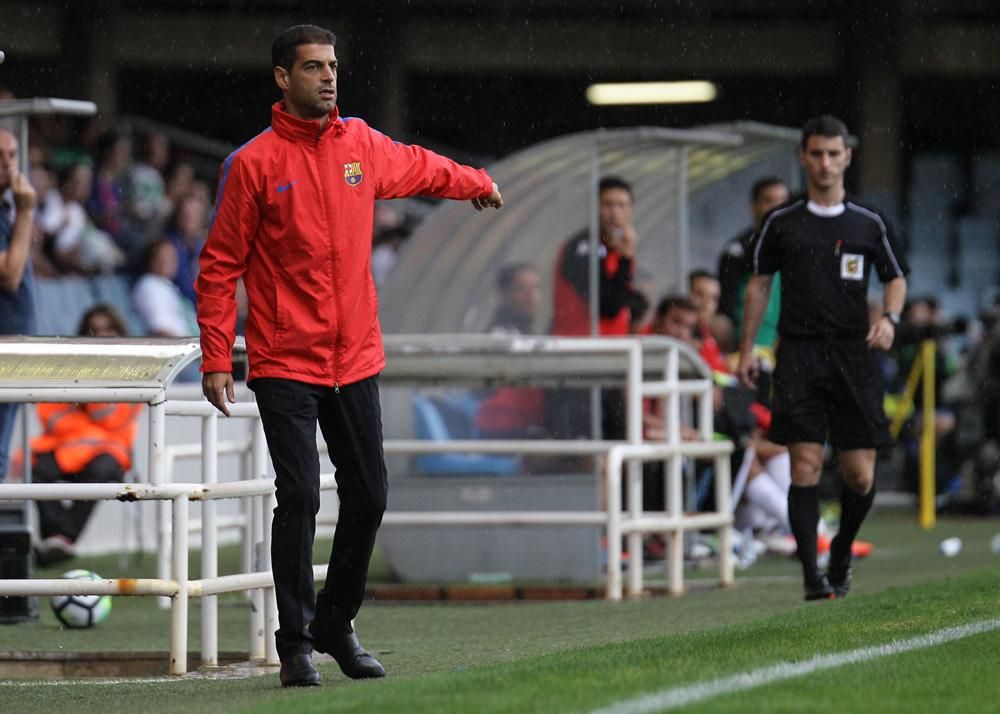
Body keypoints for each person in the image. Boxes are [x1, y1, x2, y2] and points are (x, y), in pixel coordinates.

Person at [195, 25, 503, 688]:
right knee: (301, 495)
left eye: (332, 66)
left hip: (355, 357)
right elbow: (220, 265)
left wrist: (473, 179)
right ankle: (295, 643)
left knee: (369, 495)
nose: (328, 78)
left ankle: (336, 622)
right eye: (312, 67)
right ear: (282, 77)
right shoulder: (252, 164)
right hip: (283, 359)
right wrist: (217, 355)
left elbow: (422, 164)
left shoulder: (361, 144)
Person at [737, 115, 909, 600]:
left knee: (860, 475)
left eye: (834, 154)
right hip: (800, 356)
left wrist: (890, 319)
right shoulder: (782, 221)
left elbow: (896, 276)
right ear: (803, 158)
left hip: (854, 355)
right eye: (817, 154)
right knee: (805, 466)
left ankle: (841, 551)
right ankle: (813, 574)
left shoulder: (869, 221)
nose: (826, 162)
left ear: (847, 157)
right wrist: (749, 349)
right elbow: (759, 284)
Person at [32, 305, 142, 566]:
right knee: (37, 469)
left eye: (108, 329)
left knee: (104, 471)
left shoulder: (136, 370)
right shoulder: (66, 367)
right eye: (95, 330)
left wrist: (88, 390)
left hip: (108, 451)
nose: (102, 336)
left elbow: (112, 420)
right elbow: (50, 415)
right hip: (65, 446)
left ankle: (60, 540)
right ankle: (58, 540)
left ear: (120, 333)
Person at [550, 176, 637, 439]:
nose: (615, 213)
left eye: (622, 205)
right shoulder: (581, 247)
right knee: (584, 444)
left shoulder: (616, 248)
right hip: (578, 364)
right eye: (608, 204)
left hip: (610, 362)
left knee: (616, 440)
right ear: (595, 208)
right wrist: (626, 259)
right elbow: (607, 305)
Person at [717, 177, 790, 360]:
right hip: (749, 347)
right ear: (754, 206)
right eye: (769, 200)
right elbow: (728, 304)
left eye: (782, 201)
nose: (776, 207)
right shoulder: (738, 250)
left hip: (787, 344)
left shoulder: (799, 247)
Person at [0, 128, 37, 483]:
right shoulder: (16, 211)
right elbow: (9, 275)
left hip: (11, 351)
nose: (8, 166)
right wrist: (26, 211)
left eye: (12, 156)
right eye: (0, 157)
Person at [476, 264, 545, 439]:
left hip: (522, 422)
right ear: (504, 295)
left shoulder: (527, 334)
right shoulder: (501, 337)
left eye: (535, 288)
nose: (531, 297)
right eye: (521, 289)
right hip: (504, 428)